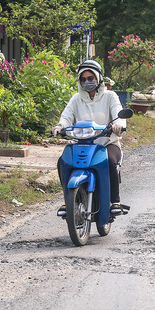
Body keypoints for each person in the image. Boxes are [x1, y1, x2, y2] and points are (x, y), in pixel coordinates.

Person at [52, 59, 126, 216]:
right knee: (62, 161)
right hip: (82, 144)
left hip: (107, 143)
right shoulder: (76, 99)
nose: (87, 82)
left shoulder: (110, 96)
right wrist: (60, 126)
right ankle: (68, 200)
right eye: (83, 79)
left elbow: (118, 112)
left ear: (98, 78)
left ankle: (115, 202)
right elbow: (67, 116)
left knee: (110, 161)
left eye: (91, 78)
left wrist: (118, 125)